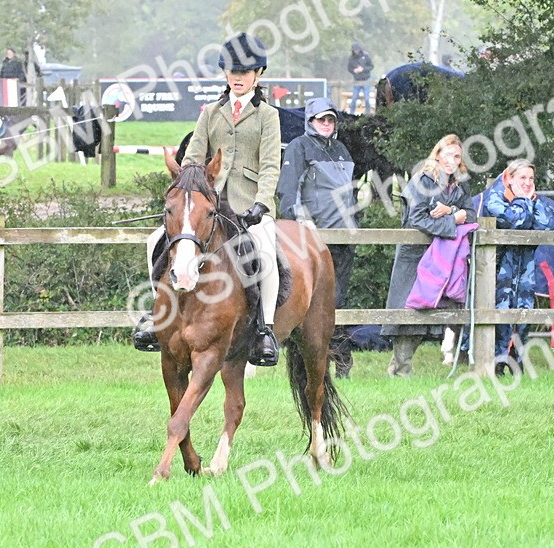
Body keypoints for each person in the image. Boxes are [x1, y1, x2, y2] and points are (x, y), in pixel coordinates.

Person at [133, 32, 282, 366]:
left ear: (257, 74)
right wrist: (188, 189)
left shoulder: (267, 116)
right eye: (232, 72)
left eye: (244, 72)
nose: (237, 78)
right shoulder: (211, 112)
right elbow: (192, 157)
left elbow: (271, 164)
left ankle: (264, 330)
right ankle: (158, 314)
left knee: (266, 252)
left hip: (248, 207)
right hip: (207, 206)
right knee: (156, 240)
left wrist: (262, 201)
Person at [381, 134, 477, 377]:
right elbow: (417, 218)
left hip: (442, 257)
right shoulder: (424, 180)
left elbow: (471, 214)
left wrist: (452, 211)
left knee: (429, 312)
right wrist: (453, 220)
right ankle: (401, 370)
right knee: (408, 310)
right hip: (414, 254)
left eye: (457, 156)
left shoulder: (460, 183)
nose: (452, 161)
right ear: (437, 154)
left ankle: (398, 368)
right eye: (447, 155)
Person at [276, 97, 357, 378]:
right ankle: (310, 364)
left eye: (330, 119)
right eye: (321, 119)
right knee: (310, 306)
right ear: (310, 121)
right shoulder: (299, 147)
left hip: (343, 239)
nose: (326, 123)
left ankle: (342, 362)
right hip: (311, 243)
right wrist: (302, 224)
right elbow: (288, 191)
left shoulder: (343, 150)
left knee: (339, 302)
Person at [482, 159, 553, 371]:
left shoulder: (532, 200)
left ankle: (516, 362)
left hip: (525, 269)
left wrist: (527, 202)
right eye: (522, 178)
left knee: (524, 313)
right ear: (508, 178)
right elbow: (516, 221)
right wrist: (524, 201)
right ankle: (494, 362)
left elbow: (546, 225)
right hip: (496, 268)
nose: (528, 182)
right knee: (499, 313)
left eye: (531, 178)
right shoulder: (494, 198)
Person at [347, 42, 374, 115]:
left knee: (366, 98)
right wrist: (354, 71)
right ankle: (351, 113)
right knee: (354, 97)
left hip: (366, 79)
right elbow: (349, 69)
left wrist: (363, 69)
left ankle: (367, 112)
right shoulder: (351, 58)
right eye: (355, 50)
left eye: (357, 50)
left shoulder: (365, 56)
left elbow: (371, 66)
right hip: (357, 80)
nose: (356, 51)